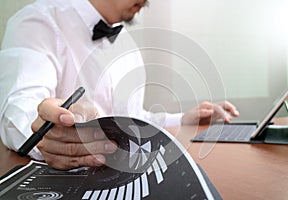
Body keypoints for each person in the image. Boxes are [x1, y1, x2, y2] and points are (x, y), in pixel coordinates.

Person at [0, 0, 239, 170]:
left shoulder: (128, 44)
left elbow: (132, 118)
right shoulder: (38, 21)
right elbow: (16, 110)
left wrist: (183, 119)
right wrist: (44, 133)